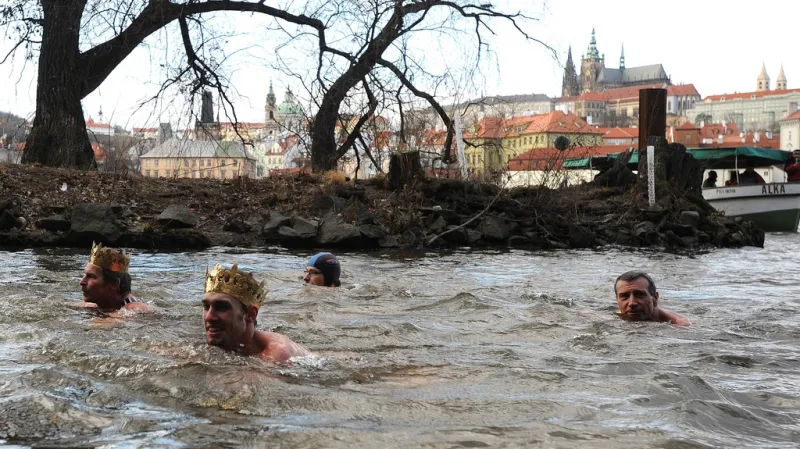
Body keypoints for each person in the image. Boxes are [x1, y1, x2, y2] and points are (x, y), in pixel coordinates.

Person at [202, 264, 311, 363]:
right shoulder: (226, 338)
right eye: (206, 306)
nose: (209, 317)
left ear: (251, 314)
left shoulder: (277, 355)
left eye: (222, 308)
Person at [76, 242, 151, 312]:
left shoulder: (136, 310)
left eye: (91, 276)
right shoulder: (95, 304)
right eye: (85, 275)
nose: (82, 282)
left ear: (114, 284)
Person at [614, 270, 690, 326]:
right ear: (617, 300)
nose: (632, 303)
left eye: (640, 295)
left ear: (655, 298)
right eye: (624, 296)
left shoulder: (680, 325)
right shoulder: (615, 317)